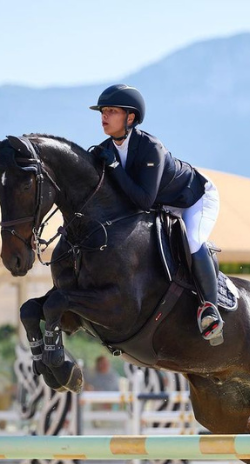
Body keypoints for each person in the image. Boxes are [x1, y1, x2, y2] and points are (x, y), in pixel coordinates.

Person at [90, 84, 223, 342]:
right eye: (102, 111)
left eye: (111, 111)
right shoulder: (106, 148)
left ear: (130, 117)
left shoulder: (151, 147)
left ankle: (210, 309)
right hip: (161, 206)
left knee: (194, 241)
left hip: (194, 198)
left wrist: (115, 167)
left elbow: (142, 200)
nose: (104, 116)